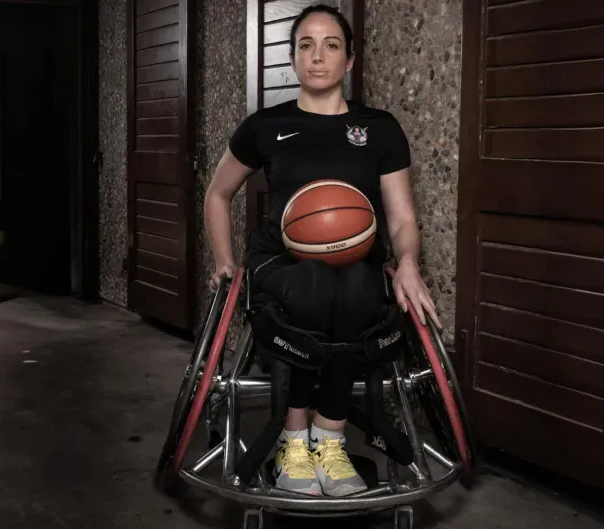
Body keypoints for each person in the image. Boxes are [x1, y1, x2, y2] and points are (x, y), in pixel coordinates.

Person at [203, 4, 441, 497]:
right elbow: (217, 194)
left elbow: (399, 217)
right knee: (314, 284)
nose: (318, 57)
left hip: (354, 263)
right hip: (280, 263)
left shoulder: (380, 128)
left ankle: (328, 439)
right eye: (306, 46)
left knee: (355, 284)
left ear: (349, 60)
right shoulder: (264, 126)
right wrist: (224, 261)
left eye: (331, 45)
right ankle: (294, 438)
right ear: (292, 57)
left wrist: (410, 263)